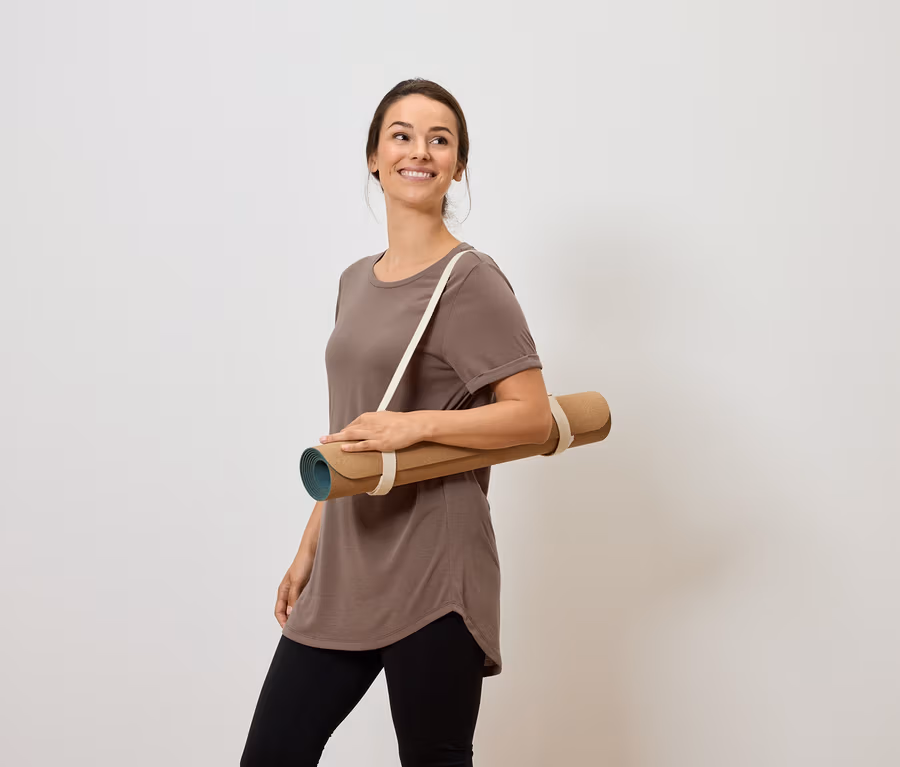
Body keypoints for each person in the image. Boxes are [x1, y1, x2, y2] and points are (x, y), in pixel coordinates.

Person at [240, 78, 553, 767]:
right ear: (373, 158)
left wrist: (414, 426)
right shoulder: (354, 280)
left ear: (458, 166)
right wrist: (310, 547)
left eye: (440, 139)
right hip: (347, 561)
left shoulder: (470, 279)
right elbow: (352, 432)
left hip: (435, 569)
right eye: (402, 136)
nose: (420, 151)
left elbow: (533, 417)